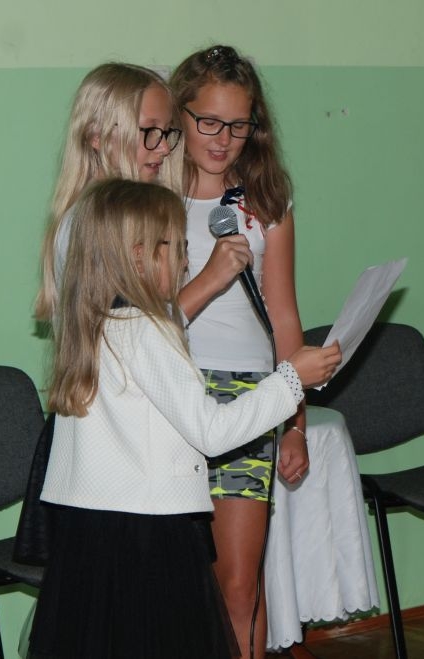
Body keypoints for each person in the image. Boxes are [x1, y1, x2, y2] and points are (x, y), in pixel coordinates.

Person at [27, 178, 341, 659]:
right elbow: (211, 432)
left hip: (89, 538)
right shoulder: (148, 331)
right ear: (139, 256)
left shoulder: (90, 324)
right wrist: (291, 380)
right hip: (148, 538)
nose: (186, 260)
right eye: (176, 246)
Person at [166, 44, 307, 659]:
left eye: (239, 125)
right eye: (209, 122)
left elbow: (285, 317)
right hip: (172, 394)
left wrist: (294, 424)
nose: (223, 140)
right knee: (174, 582)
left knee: (240, 581)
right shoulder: (151, 201)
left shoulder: (265, 204)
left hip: (251, 397)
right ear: (178, 114)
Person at [35, 62, 246, 324]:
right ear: (96, 135)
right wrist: (210, 281)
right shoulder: (92, 224)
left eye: (166, 132)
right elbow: (128, 335)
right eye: (150, 131)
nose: (164, 148)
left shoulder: (119, 217)